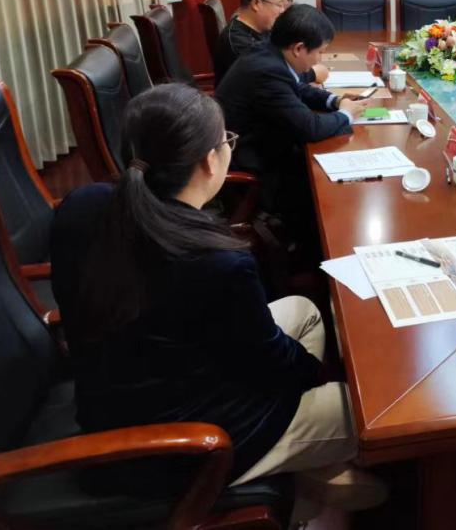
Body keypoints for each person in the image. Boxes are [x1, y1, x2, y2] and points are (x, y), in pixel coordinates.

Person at [49, 84, 385, 521]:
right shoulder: (214, 261)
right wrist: (315, 376)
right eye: (227, 140)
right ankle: (297, 477)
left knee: (303, 311)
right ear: (210, 160)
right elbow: (266, 362)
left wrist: (295, 371)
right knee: (364, 406)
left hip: (122, 396)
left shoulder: (82, 205)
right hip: (179, 446)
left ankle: (302, 467)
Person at [216, 4, 368, 228]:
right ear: (299, 48)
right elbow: (311, 128)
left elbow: (296, 88)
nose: (320, 59)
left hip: (259, 144)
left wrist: (334, 101)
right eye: (320, 52)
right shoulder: (268, 72)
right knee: (333, 192)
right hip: (254, 163)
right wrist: (346, 114)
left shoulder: (270, 53)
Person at [213, 0, 287, 84]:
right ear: (256, 4)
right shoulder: (238, 42)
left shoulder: (263, 28)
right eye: (279, 5)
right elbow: (272, 76)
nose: (282, 10)